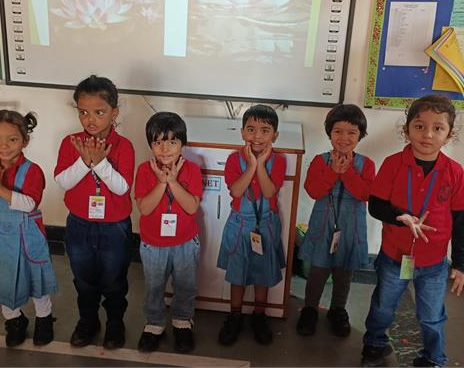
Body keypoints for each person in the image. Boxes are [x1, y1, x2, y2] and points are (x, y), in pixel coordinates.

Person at [361, 94, 464, 367]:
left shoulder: (455, 172)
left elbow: (462, 222)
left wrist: (461, 264)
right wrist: (399, 217)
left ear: (448, 135)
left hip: (434, 263)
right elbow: (376, 205)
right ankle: (374, 344)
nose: (428, 134)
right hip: (393, 256)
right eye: (420, 126)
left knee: (431, 316)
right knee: (383, 306)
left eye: (438, 128)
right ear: (407, 129)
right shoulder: (392, 164)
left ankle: (433, 358)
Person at [54, 75, 135, 350]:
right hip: (79, 224)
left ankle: (115, 322)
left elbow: (122, 188)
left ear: (114, 113)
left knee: (114, 279)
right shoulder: (70, 142)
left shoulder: (124, 146)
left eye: (99, 112)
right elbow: (63, 181)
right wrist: (84, 160)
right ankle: (88, 320)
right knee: (84, 278)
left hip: (114, 226)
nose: (90, 120)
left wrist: (100, 163)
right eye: (83, 112)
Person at [0, 110, 57, 347]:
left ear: (25, 140)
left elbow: (29, 204)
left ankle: (44, 318)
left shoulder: (32, 170)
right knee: (3, 277)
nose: (3, 146)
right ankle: (14, 320)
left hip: (28, 236)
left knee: (36, 279)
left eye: (12, 139)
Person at [296, 104, 375, 337]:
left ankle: (338, 310)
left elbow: (366, 194)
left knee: (344, 272)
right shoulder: (320, 161)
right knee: (318, 271)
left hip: (351, 227)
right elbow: (313, 191)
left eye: (352, 132)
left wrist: (347, 172)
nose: (344, 138)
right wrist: (333, 172)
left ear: (360, 135)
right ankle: (309, 310)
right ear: (329, 133)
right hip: (323, 223)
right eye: (338, 131)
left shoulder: (366, 164)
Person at [217, 104, 286, 346]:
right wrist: (252, 166)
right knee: (237, 274)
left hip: (266, 225)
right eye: (251, 129)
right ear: (242, 132)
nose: (257, 136)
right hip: (240, 225)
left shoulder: (278, 161)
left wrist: (262, 165)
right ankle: (234, 315)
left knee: (262, 273)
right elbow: (236, 191)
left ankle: (259, 315)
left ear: (275, 135)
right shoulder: (234, 159)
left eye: (265, 130)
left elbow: (269, 192)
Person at [134, 112, 203, 354]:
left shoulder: (192, 170)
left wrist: (173, 181)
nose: (165, 149)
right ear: (151, 144)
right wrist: (161, 182)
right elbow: (144, 208)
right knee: (154, 286)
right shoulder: (145, 170)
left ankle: (182, 321)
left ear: (183, 143)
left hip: (185, 242)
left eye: (172, 142)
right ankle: (154, 323)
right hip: (153, 244)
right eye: (158, 142)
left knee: (185, 285)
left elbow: (192, 207)